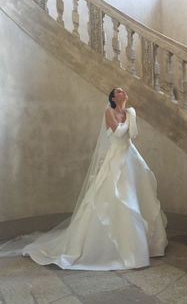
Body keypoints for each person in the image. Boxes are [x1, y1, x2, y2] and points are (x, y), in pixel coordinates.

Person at [0, 87, 168, 271]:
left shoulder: (129, 112)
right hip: (116, 158)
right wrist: (130, 118)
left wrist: (131, 115)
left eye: (123, 91)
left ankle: (146, 245)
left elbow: (133, 134)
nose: (123, 92)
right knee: (119, 196)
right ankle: (121, 249)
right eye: (119, 91)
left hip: (130, 156)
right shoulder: (109, 111)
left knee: (138, 194)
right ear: (113, 97)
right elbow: (119, 133)